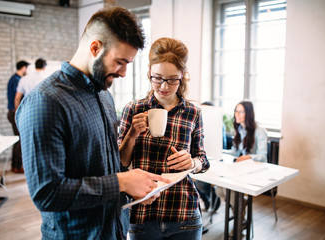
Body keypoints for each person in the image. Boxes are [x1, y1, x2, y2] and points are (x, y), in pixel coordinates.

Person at [15, 7, 170, 240]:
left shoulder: (104, 94)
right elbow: (47, 193)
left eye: (128, 63)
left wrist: (131, 191)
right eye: (120, 62)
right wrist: (122, 181)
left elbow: (104, 166)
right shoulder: (45, 102)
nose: (124, 73)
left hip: (115, 230)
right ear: (95, 48)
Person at [118, 37, 210, 240]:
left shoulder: (192, 112)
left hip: (184, 215)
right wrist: (132, 134)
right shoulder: (134, 109)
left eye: (172, 79)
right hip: (142, 217)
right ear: (149, 71)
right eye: (157, 77)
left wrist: (192, 162)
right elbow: (121, 163)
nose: (163, 86)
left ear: (183, 76)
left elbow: (203, 160)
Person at [216, 100, 267, 233]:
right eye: (236, 111)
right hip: (240, 170)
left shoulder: (259, 131)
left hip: (254, 171)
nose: (236, 114)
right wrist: (219, 151)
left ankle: (239, 221)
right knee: (219, 190)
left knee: (231, 191)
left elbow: (263, 156)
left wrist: (249, 157)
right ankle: (241, 207)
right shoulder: (239, 129)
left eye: (240, 111)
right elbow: (234, 153)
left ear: (248, 114)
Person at [6, 60, 29, 173]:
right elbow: (17, 98)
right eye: (26, 68)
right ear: (23, 68)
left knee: (18, 139)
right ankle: (17, 166)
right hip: (14, 112)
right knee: (20, 140)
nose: (27, 71)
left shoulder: (14, 78)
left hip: (12, 112)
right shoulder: (17, 80)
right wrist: (18, 113)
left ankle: (14, 165)